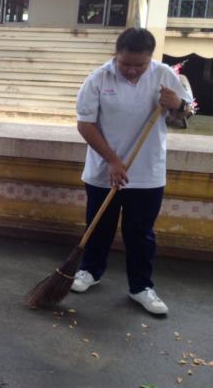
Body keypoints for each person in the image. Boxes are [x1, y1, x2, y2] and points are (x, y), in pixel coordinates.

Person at [72, 28, 192, 315]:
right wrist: (112, 160)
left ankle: (141, 287)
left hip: (147, 173)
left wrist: (178, 105)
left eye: (140, 65)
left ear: (150, 58)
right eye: (126, 63)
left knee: (140, 233)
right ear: (117, 55)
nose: (132, 70)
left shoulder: (164, 75)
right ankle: (90, 271)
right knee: (98, 226)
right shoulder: (99, 78)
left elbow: (185, 114)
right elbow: (85, 124)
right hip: (103, 171)